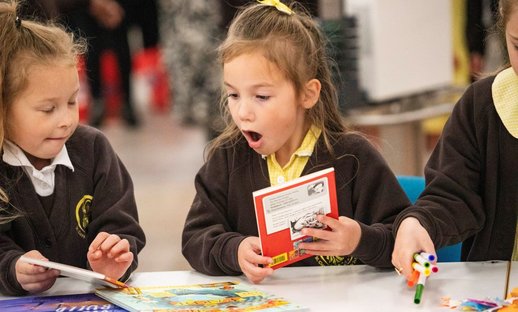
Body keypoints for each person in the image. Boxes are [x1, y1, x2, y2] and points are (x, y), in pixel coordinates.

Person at [182, 0, 410, 284]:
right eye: (234, 95)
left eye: (261, 97)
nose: (242, 112)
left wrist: (360, 240)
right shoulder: (226, 159)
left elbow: (405, 237)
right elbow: (195, 238)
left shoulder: (353, 158)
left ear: (308, 94)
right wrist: (234, 250)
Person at [0, 0, 146, 296]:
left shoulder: (94, 149)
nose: (67, 120)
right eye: (47, 109)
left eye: (71, 101)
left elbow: (123, 228)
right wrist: (13, 267)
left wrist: (115, 258)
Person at [391, 0, 518, 280]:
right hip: (496, 291)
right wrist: (418, 223)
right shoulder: (482, 105)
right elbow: (452, 194)